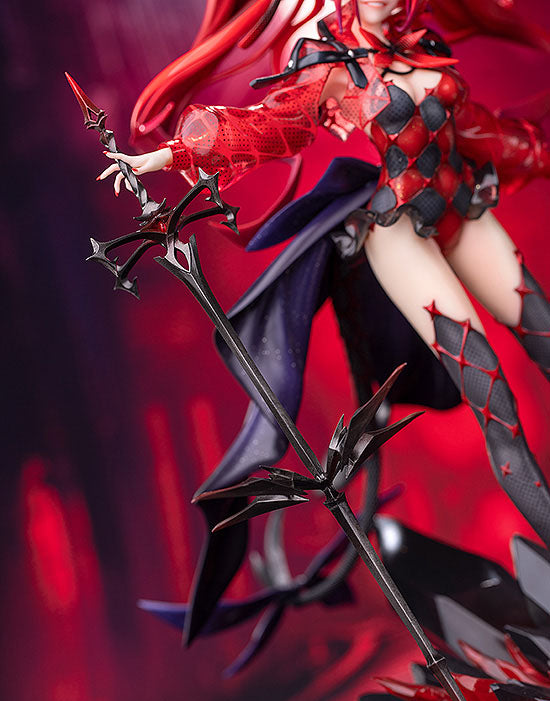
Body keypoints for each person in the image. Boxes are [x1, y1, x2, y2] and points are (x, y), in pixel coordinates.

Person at [99, 0, 550, 641]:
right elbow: (268, 127)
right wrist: (168, 157)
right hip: (399, 229)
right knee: (494, 400)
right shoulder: (331, 62)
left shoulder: (422, 42)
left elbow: (480, 133)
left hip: (462, 206)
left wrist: (533, 151)